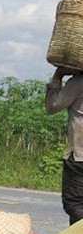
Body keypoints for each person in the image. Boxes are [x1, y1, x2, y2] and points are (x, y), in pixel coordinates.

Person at [45, 67, 83, 225]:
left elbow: (53, 106)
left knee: (75, 204)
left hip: (80, 156)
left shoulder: (78, 82)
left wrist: (58, 76)